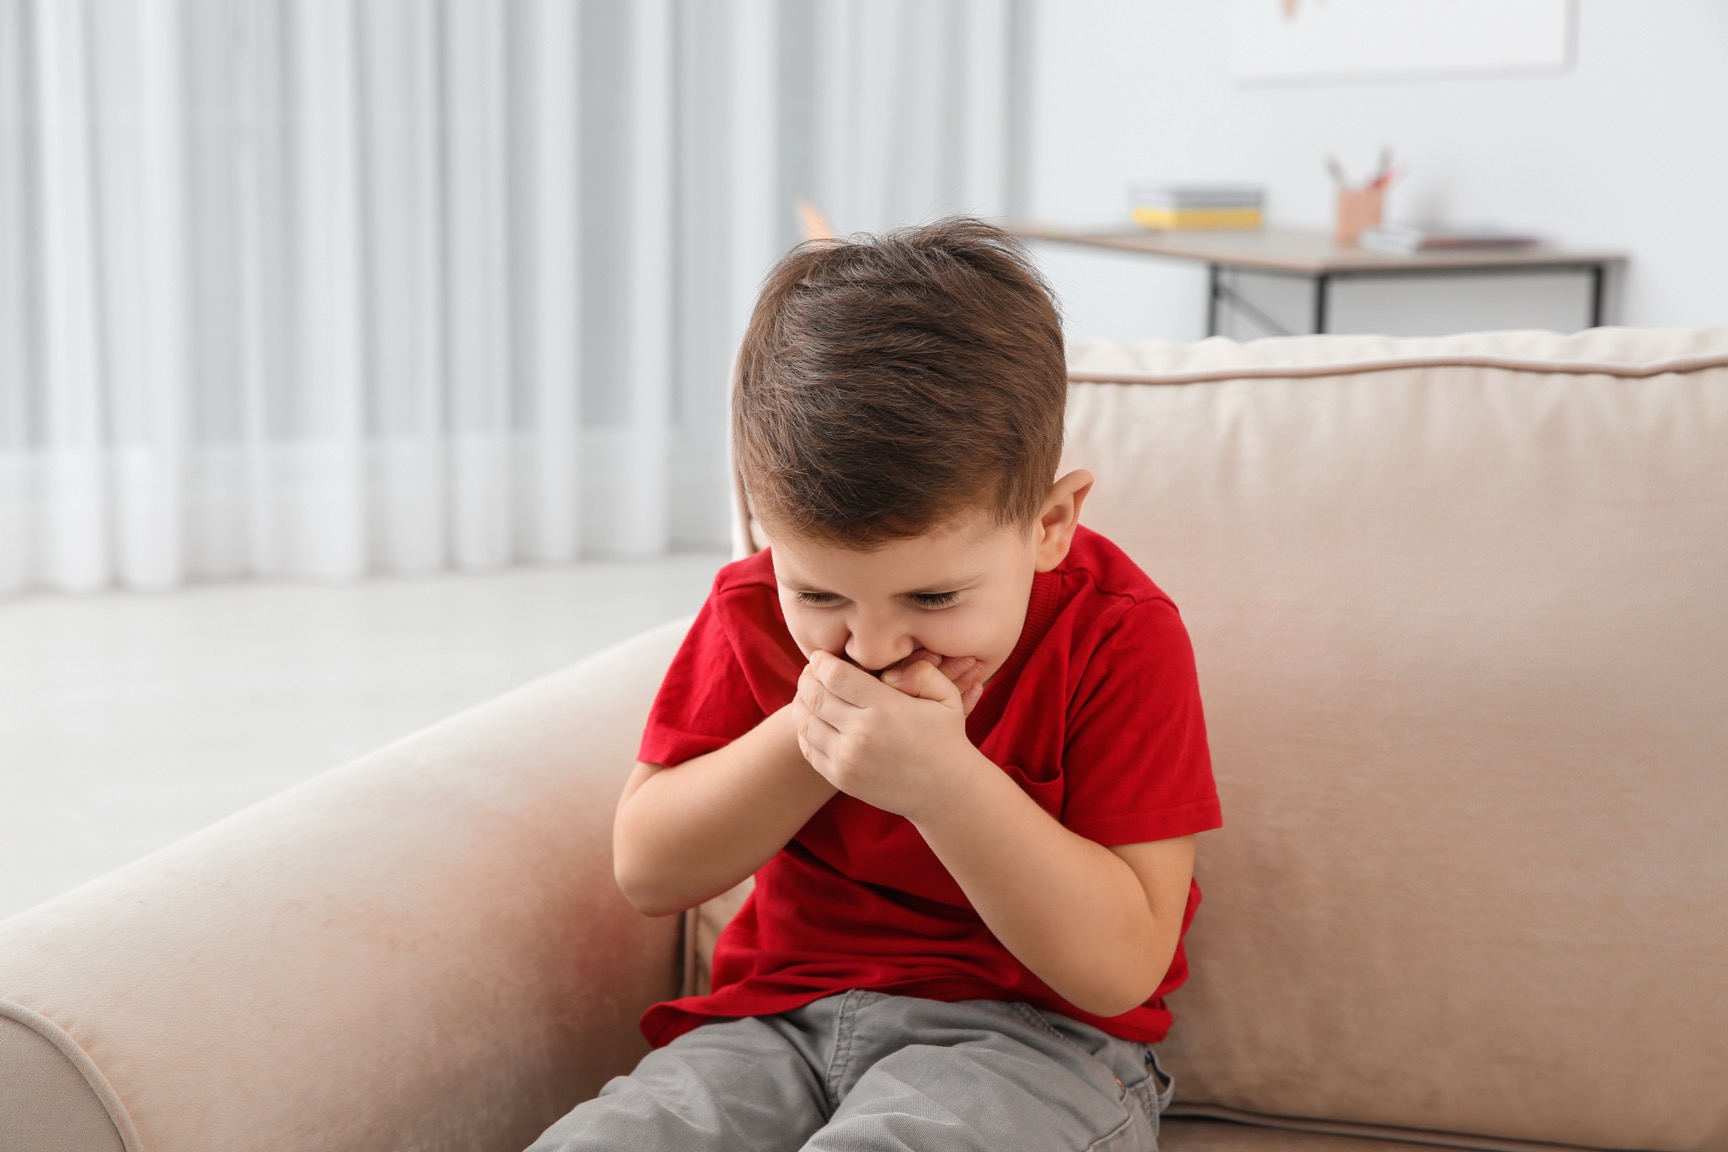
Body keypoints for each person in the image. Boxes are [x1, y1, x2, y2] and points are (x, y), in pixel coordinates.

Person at [527, 217, 1222, 1152]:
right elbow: (651, 871)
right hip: (771, 1024)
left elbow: (1120, 968)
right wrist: (811, 733)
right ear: (764, 529)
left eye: (934, 597)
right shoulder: (749, 612)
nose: (875, 645)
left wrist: (942, 783)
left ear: (1049, 524)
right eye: (819, 594)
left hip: (1035, 1045)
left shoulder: (1118, 635)